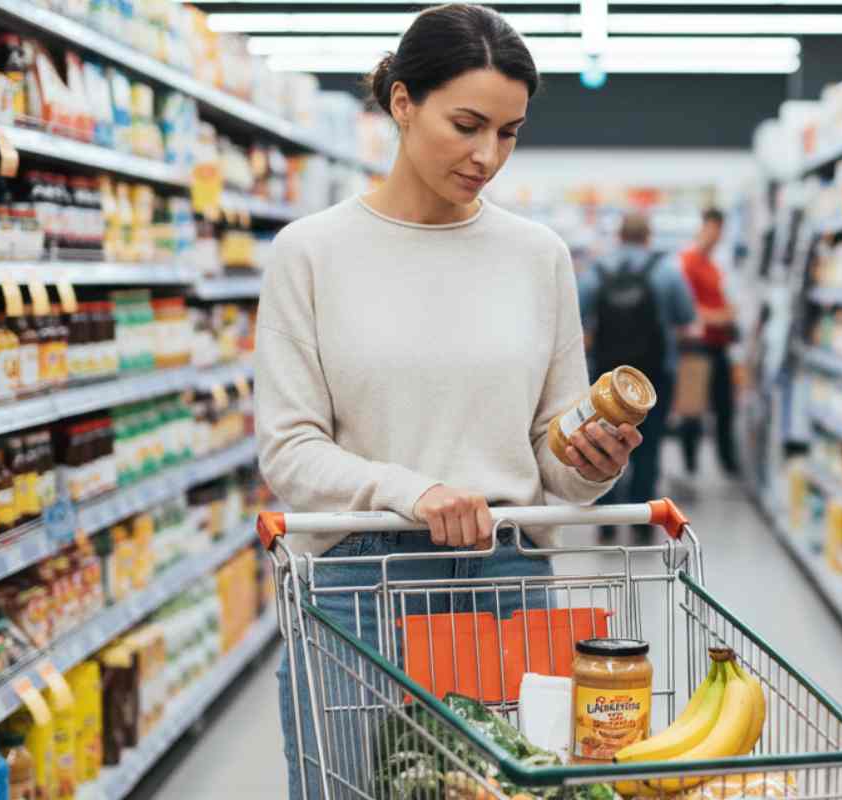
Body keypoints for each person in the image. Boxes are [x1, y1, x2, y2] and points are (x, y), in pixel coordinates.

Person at [252, 6, 641, 797]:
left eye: (509, 132)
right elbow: (290, 450)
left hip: (507, 574)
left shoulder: (539, 257)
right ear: (402, 102)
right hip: (362, 581)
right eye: (466, 124)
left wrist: (589, 465)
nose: (487, 155)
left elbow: (549, 452)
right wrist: (414, 492)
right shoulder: (312, 252)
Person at [578, 212, 696, 542]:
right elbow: (686, 316)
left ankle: (606, 522)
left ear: (619, 236)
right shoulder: (666, 271)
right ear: (648, 236)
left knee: (602, 444)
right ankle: (643, 523)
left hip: (607, 380)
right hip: (655, 375)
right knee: (649, 445)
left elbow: (575, 315)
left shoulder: (597, 272)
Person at [678, 207, 740, 477]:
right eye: (714, 229)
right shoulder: (688, 261)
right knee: (692, 408)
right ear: (704, 228)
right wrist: (718, 316)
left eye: (721, 231)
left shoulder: (714, 267)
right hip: (696, 346)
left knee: (725, 406)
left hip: (719, 345)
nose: (717, 236)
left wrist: (727, 315)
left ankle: (727, 461)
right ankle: (689, 464)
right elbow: (687, 308)